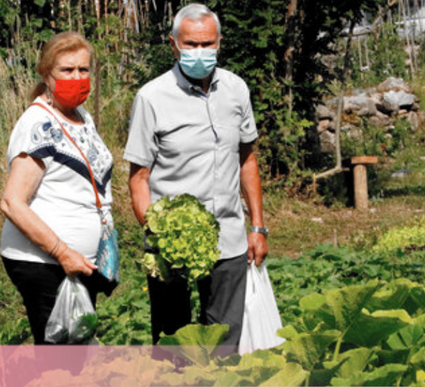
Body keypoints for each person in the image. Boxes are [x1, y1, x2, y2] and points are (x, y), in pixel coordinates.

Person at [123, 3, 269, 349]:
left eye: (207, 44)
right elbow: (138, 178)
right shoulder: (151, 98)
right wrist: (161, 237)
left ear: (219, 43)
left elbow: (247, 160)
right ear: (174, 45)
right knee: (174, 341)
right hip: (173, 247)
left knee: (225, 341)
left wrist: (258, 226)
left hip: (230, 238)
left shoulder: (235, 90)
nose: (199, 52)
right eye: (191, 45)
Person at [0, 31, 114, 345]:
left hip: (79, 263)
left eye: (83, 69)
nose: (76, 77)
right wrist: (62, 252)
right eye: (66, 70)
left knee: (77, 356)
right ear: (47, 75)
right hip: (46, 262)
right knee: (61, 363)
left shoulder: (81, 116)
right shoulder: (38, 125)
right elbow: (12, 203)